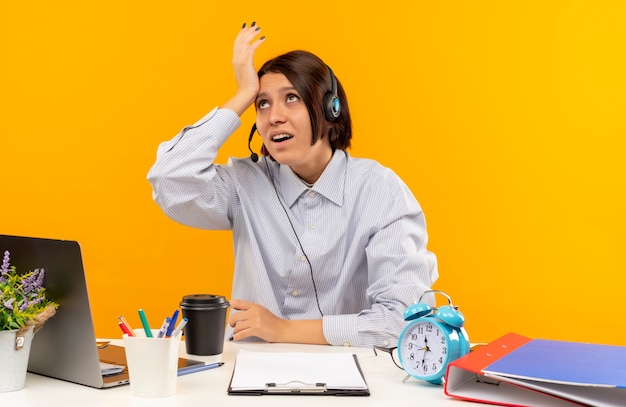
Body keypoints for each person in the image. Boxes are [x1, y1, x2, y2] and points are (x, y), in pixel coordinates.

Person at [147, 22, 438, 347]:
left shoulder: (381, 193)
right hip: (249, 381)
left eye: (292, 98)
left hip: (348, 380)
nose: (274, 117)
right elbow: (169, 179)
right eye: (263, 103)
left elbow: (404, 321)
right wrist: (243, 95)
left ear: (332, 109)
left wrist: (282, 330)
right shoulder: (244, 183)